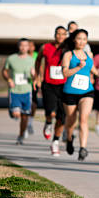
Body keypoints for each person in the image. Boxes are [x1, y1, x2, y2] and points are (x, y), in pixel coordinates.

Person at [61, 29, 99, 161]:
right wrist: (78, 67)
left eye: (84, 39)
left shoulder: (89, 54)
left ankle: (83, 148)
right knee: (71, 120)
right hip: (70, 92)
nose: (82, 41)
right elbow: (64, 73)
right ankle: (70, 139)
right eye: (79, 38)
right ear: (74, 40)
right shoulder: (68, 55)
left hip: (87, 91)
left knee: (83, 119)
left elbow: (92, 69)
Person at [34, 26, 68, 156]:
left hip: (64, 86)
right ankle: (48, 122)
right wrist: (38, 76)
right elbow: (38, 60)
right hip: (49, 84)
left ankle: (55, 142)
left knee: (62, 118)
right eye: (58, 34)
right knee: (51, 112)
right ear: (54, 35)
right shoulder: (45, 47)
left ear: (66, 36)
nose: (60, 36)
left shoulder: (68, 49)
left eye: (63, 34)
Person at [2, 38, 36, 145]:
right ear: (18, 46)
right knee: (16, 113)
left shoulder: (32, 60)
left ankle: (21, 135)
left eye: (26, 46)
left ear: (28, 47)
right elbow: (4, 71)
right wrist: (9, 79)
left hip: (27, 91)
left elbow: (36, 75)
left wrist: (34, 75)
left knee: (25, 116)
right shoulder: (11, 58)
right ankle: (13, 111)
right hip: (14, 90)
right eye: (21, 45)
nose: (24, 48)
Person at [26, 40, 38, 136]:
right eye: (28, 46)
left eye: (31, 46)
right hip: (23, 83)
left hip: (34, 82)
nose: (29, 47)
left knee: (33, 103)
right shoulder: (22, 56)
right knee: (25, 103)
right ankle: (24, 124)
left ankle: (30, 122)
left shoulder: (37, 55)